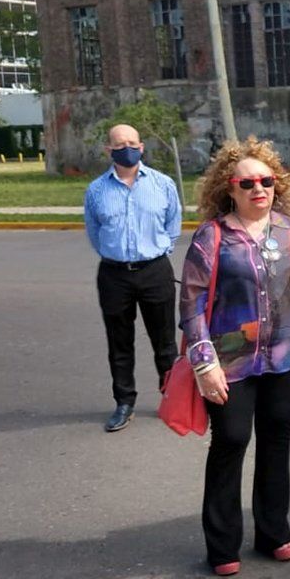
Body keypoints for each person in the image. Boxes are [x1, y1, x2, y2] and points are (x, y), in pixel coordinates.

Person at [179, 137, 290, 576]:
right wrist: (204, 363)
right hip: (230, 364)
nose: (258, 189)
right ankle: (223, 544)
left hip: (287, 359)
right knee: (232, 441)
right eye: (248, 183)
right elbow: (190, 304)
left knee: (277, 439)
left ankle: (273, 531)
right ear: (230, 188)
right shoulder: (213, 237)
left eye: (266, 181)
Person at [84, 123, 182, 432]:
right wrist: (118, 255)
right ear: (108, 150)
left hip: (155, 271)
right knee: (119, 343)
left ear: (141, 147)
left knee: (165, 342)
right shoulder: (97, 190)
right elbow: (95, 232)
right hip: (114, 275)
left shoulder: (162, 184)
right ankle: (124, 402)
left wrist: (157, 250)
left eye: (131, 142)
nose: (126, 147)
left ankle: (172, 398)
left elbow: (173, 224)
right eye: (118, 143)